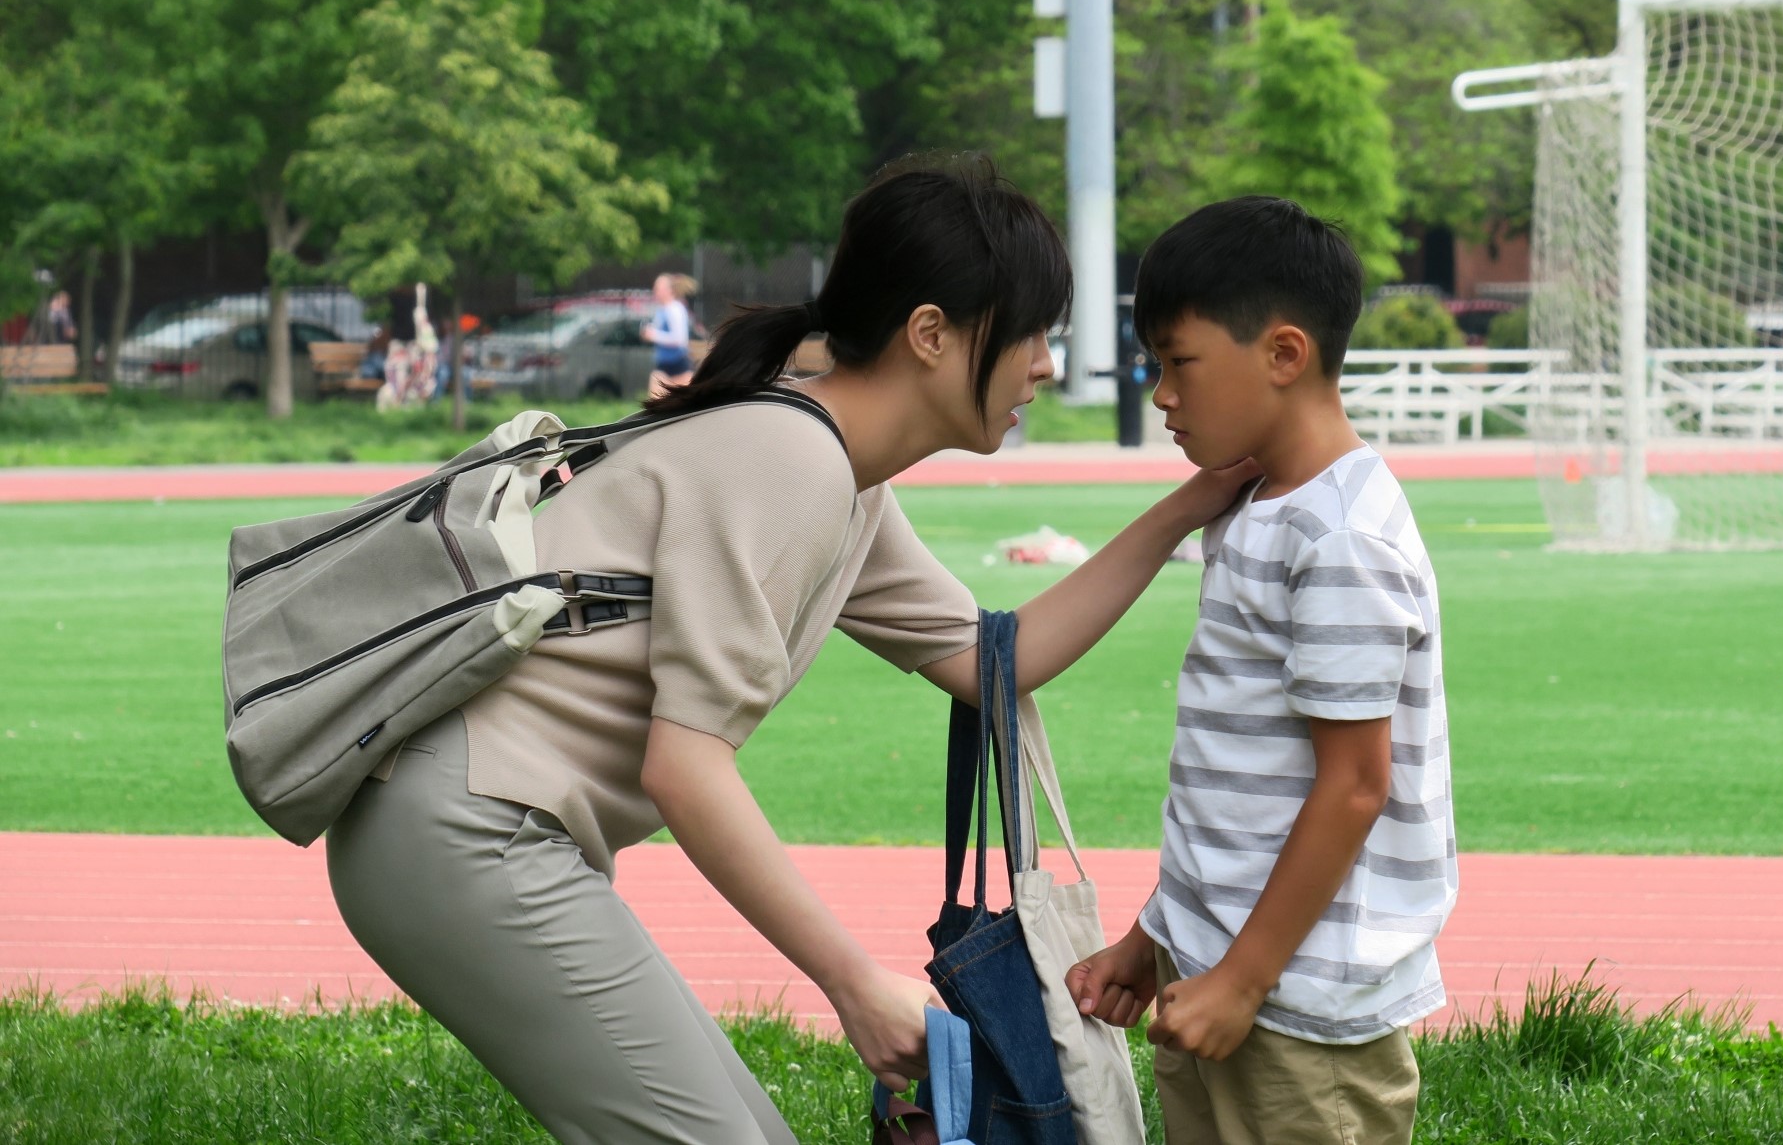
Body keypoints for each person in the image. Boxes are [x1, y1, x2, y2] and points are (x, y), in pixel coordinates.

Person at [324, 156, 1257, 1145]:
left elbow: (997, 659)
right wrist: (852, 983)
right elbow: (685, 768)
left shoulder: (838, 470)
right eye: (1028, 333)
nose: (1045, 365)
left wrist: (1188, 507)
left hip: (482, 828)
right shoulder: (791, 461)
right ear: (930, 335)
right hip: (463, 832)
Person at [1065, 197, 1457, 1145]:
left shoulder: (1339, 537)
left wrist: (1243, 978)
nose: (1159, 392)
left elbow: (1355, 785)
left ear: (1283, 354)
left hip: (1298, 1010)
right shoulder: (1254, 508)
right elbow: (1241, 791)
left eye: (1177, 361)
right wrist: (1157, 940)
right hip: (1217, 970)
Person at [645, 271, 696, 396]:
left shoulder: (675, 309)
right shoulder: (661, 310)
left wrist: (654, 335)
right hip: (663, 366)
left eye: (658, 288)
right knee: (656, 405)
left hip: (679, 366)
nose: (655, 291)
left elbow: (679, 339)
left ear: (669, 290)